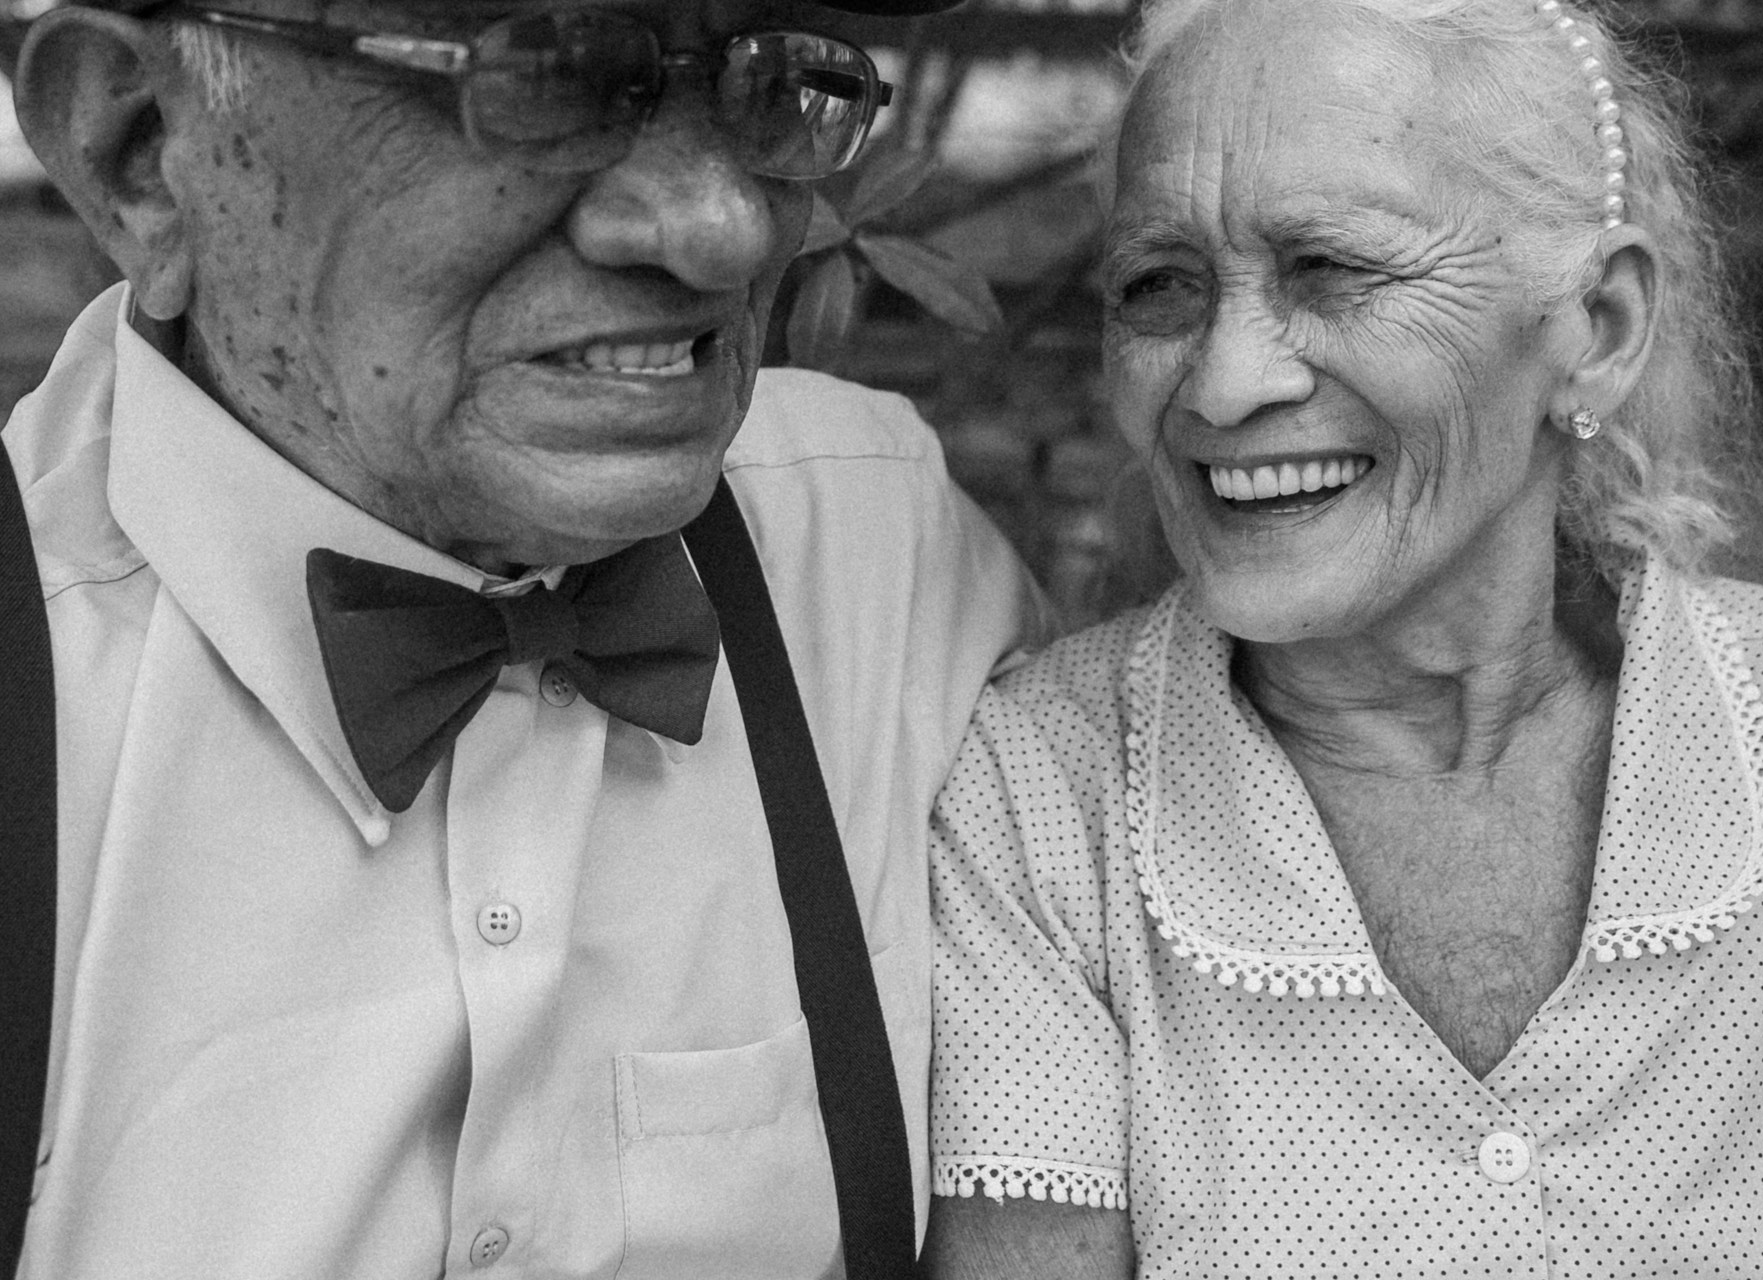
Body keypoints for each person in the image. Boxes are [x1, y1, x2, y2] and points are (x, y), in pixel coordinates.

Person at [0, 0, 1051, 1272]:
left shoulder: (891, 563)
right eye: (548, 74)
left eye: (769, 79)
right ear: (142, 151)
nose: (723, 225)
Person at [920, 0, 1763, 1275]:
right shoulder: (1044, 799)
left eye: (1332, 268)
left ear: (1599, 328)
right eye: (1159, 285)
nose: (1224, 382)